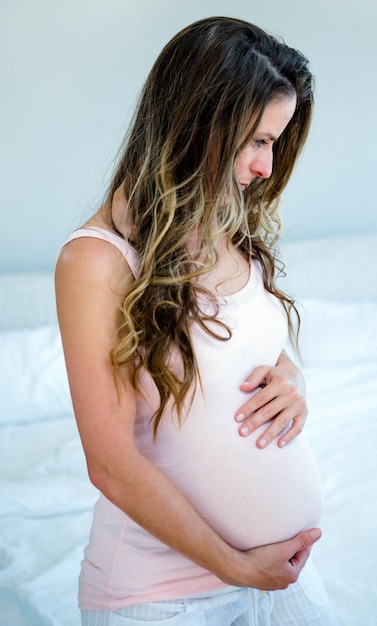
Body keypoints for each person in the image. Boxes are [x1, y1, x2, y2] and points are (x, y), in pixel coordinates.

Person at [55, 16, 338, 626]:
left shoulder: (224, 221)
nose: (266, 167)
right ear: (196, 121)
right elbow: (108, 462)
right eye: (256, 140)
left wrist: (294, 382)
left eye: (275, 142)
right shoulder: (97, 261)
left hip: (277, 578)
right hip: (162, 594)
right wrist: (236, 567)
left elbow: (257, 346)